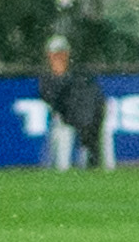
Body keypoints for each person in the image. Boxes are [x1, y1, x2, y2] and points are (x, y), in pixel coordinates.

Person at [39, 37, 113, 172]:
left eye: (62, 53)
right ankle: (69, 165)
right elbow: (52, 100)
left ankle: (90, 160)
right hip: (66, 117)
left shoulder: (80, 74)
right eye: (55, 54)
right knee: (71, 128)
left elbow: (94, 97)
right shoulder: (47, 78)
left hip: (88, 118)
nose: (59, 57)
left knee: (90, 123)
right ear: (49, 56)